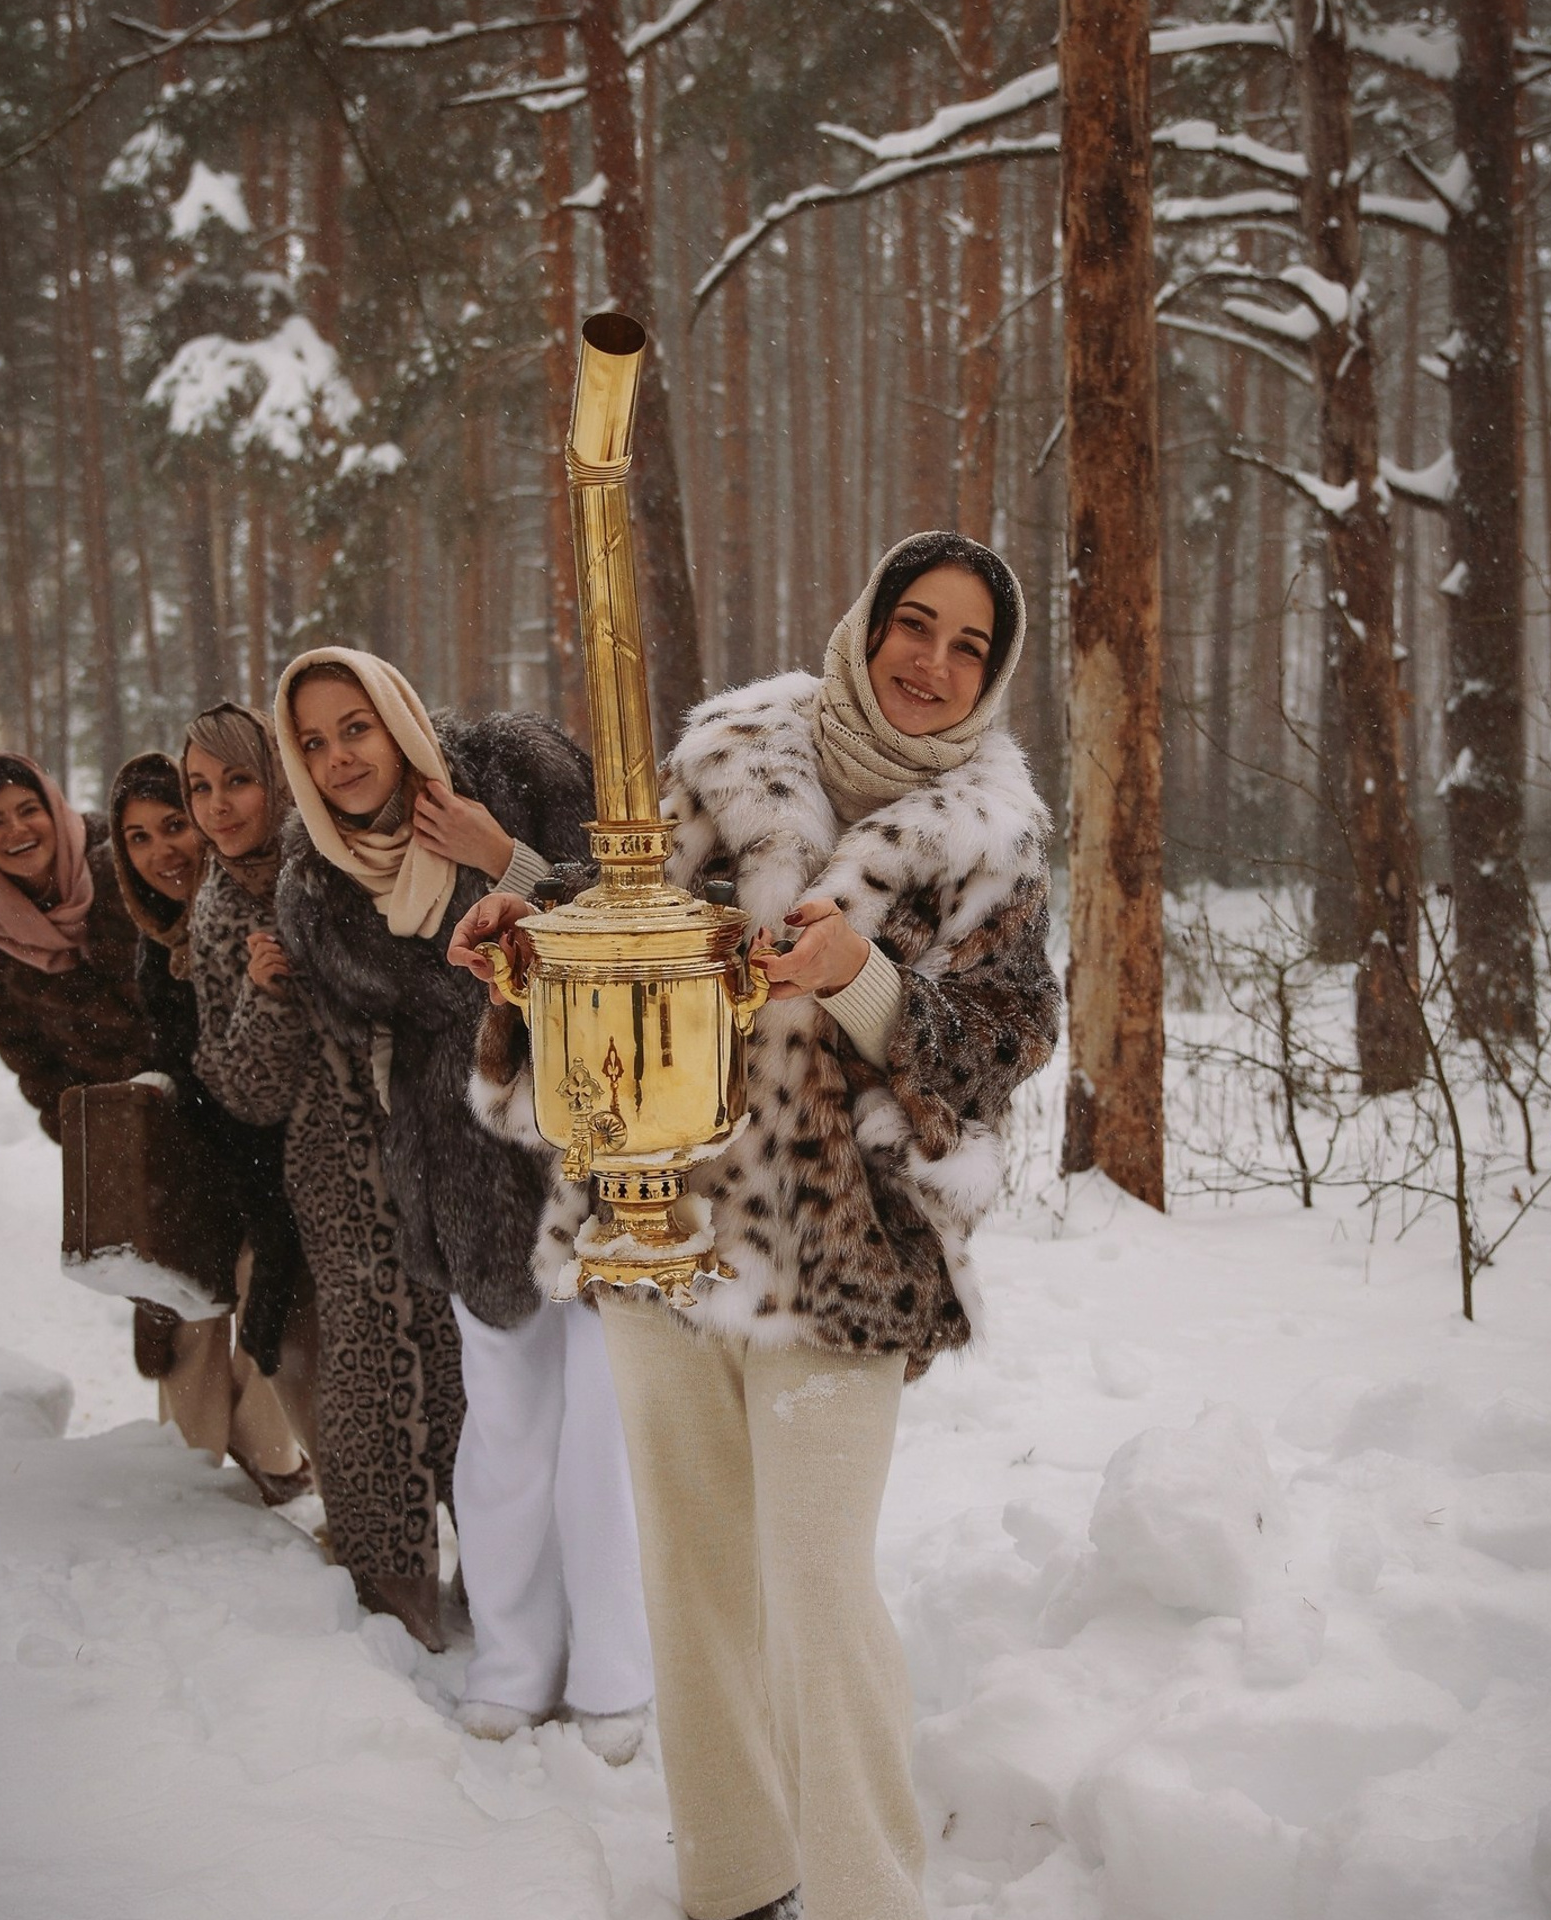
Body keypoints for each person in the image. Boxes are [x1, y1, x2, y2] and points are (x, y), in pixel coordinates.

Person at [454, 532, 1061, 1920]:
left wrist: (866, 984)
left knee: (819, 1592)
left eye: (970, 645)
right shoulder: (730, 759)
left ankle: (866, 1898)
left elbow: (1006, 1040)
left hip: (844, 1266)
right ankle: (732, 1882)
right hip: (660, 1225)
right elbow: (624, 922)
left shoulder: (989, 837)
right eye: (918, 624)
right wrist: (524, 945)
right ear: (869, 621)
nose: (934, 662)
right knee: (696, 1579)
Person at [272, 646, 652, 1759]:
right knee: (505, 1441)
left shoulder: (520, 774)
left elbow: (642, 917)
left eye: (355, 726)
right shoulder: (317, 884)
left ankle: (619, 1672)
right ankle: (514, 1658)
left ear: (398, 716)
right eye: (313, 742)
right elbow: (369, 1023)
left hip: (593, 1147)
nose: (340, 757)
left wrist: (511, 865)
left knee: (606, 1434)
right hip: (465, 1176)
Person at [180, 700, 464, 1652]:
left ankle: (504, 1560)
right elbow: (238, 1088)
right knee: (368, 1365)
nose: (221, 808)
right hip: (327, 1173)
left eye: (240, 781)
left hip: (424, 1135)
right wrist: (268, 1002)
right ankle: (390, 1577)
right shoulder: (217, 915)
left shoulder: (337, 862)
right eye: (201, 790)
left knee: (460, 1358)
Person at [108, 750, 313, 1504]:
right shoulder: (153, 944)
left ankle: (275, 1459)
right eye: (137, 838)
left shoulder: (263, 904)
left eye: (172, 825)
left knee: (267, 1291)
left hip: (275, 1157)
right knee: (183, 1311)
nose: (162, 850)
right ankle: (186, 1486)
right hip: (199, 1162)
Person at [0, 752, 179, 1395]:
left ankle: (271, 1452)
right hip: (125, 1143)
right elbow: (36, 1072)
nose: (18, 829)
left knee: (256, 1292)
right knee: (172, 1299)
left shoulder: (124, 862)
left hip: (214, 1099)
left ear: (53, 807)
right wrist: (102, 1143)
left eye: (28, 809)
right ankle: (210, 1465)